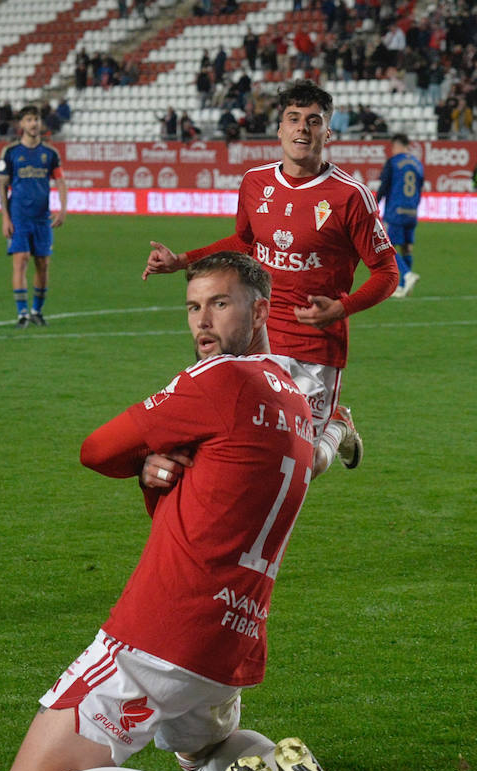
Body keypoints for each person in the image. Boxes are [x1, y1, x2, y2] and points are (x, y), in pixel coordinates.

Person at [0, 252, 340, 771]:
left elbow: (97, 449)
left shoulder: (218, 379)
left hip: (162, 630)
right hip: (232, 634)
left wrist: (141, 460)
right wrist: (158, 472)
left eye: (220, 304)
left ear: (260, 310)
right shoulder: (290, 396)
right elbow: (294, 463)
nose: (202, 321)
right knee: (202, 745)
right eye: (192, 307)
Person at [143, 80, 399, 479]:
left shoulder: (351, 196)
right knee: (237, 436)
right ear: (279, 129)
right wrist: (181, 261)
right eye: (293, 119)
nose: (302, 129)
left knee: (303, 466)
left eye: (313, 122)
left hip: (314, 345)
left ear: (328, 132)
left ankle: (337, 427)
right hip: (253, 334)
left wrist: (342, 308)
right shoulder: (255, 183)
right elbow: (243, 242)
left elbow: (387, 272)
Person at [0, 105, 67, 327]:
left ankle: (36, 310)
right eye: (28, 120)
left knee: (43, 264)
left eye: (36, 119)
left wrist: (63, 209)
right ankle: (22, 314)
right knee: (21, 261)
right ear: (21, 125)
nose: (33, 123)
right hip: (18, 217)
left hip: (41, 218)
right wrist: (5, 218)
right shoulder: (10, 153)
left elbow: (60, 181)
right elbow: (2, 186)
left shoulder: (50, 154)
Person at [378, 134, 424, 298]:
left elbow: (384, 186)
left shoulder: (393, 162)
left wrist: (374, 204)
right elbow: (420, 188)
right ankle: (404, 287)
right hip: (412, 211)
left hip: (395, 210)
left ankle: (407, 275)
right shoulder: (418, 164)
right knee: (406, 247)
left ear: (397, 145)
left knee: (387, 248)